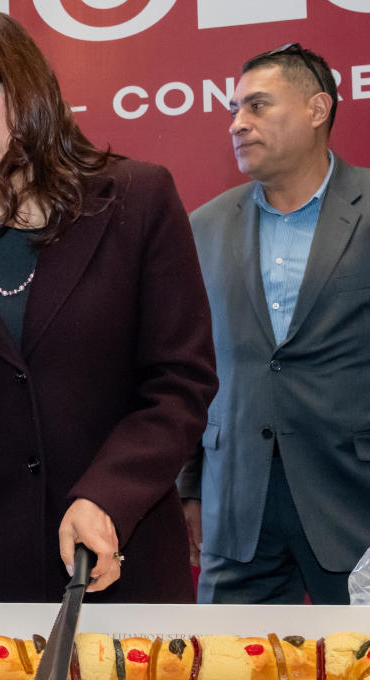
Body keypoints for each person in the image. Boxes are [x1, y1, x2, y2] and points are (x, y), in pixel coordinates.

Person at [0, 12, 217, 603]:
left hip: (116, 563)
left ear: (25, 93)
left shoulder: (139, 200)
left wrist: (108, 496)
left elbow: (179, 384)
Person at [179, 44, 370, 604]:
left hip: (354, 503)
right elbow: (190, 367)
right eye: (236, 109)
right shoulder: (203, 226)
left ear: (317, 109)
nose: (238, 123)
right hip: (237, 508)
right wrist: (191, 485)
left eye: (258, 106)